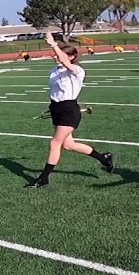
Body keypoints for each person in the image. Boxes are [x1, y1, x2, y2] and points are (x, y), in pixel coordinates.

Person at [27, 32, 115, 188]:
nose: (56, 56)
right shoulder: (54, 71)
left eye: (62, 55)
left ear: (72, 57)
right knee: (69, 145)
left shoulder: (77, 71)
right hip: (56, 108)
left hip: (69, 110)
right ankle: (104, 158)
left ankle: (44, 177)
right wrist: (54, 107)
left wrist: (53, 44)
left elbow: (63, 61)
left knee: (55, 143)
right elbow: (56, 91)